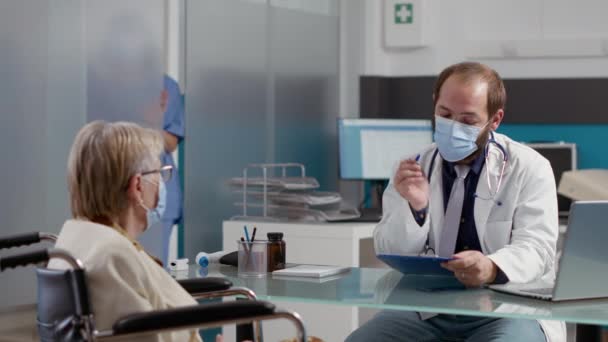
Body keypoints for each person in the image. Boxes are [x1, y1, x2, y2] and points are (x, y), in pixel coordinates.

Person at [346, 62, 564, 342]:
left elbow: (538, 249)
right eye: (445, 115)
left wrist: (491, 267)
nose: (453, 127)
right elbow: (389, 249)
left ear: (494, 120)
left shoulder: (529, 167)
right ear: (434, 105)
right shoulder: (414, 167)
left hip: (506, 309)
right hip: (428, 309)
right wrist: (417, 207)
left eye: (468, 121)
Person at [49, 121, 216, 342]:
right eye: (160, 173)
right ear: (138, 186)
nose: (162, 184)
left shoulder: (77, 240)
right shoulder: (112, 255)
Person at [159, 74, 185, 265]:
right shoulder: (99, 80)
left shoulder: (167, 86)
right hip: (116, 191)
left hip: (159, 190)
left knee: (155, 269)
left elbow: (171, 142)